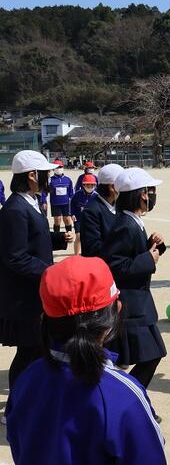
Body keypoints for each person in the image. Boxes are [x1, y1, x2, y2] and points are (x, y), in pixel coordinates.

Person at [6, 256, 166, 464]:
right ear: (115, 312)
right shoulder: (123, 394)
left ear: (45, 318)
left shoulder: (26, 378)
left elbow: (17, 440)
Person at [0, 151, 72, 397]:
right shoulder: (14, 209)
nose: (48, 178)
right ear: (32, 176)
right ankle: (16, 405)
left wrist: (58, 239)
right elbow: (15, 256)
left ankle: (30, 400)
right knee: (28, 352)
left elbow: (34, 237)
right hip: (24, 298)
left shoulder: (30, 201)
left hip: (36, 292)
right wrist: (51, 272)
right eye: (45, 174)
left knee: (38, 350)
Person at [102, 168, 167, 389]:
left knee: (135, 357)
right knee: (150, 356)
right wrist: (148, 259)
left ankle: (125, 398)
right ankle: (129, 398)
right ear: (141, 194)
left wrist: (154, 246)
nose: (153, 195)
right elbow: (115, 265)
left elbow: (131, 254)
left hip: (137, 303)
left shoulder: (132, 221)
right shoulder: (125, 225)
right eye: (151, 191)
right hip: (131, 305)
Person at [81, 163, 124, 259]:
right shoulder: (91, 211)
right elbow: (92, 249)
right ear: (112, 187)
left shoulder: (120, 206)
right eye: (122, 185)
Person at [69, 173, 98, 255]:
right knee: (78, 236)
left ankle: (88, 254)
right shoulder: (77, 194)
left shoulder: (97, 196)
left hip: (91, 220)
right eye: (87, 185)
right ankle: (76, 255)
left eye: (92, 185)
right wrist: (72, 214)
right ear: (83, 185)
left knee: (90, 238)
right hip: (79, 219)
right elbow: (72, 204)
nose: (90, 187)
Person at [48, 159, 74, 234]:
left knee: (67, 220)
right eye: (57, 167)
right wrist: (43, 201)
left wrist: (73, 202)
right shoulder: (50, 180)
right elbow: (44, 191)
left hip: (66, 203)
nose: (59, 169)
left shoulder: (67, 179)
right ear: (53, 169)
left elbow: (71, 192)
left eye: (60, 167)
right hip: (55, 204)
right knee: (57, 220)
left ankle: (69, 234)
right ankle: (56, 236)